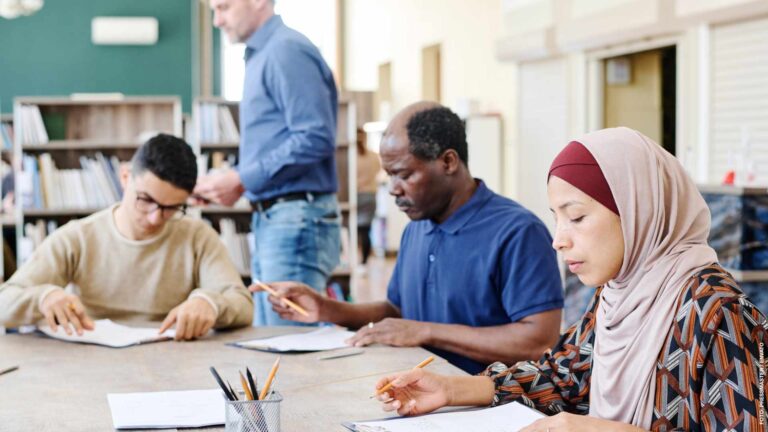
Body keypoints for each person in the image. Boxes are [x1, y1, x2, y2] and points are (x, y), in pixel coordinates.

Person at [373, 127, 768, 430]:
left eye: (576, 217)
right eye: (556, 218)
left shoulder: (718, 313)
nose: (559, 240)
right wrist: (450, 389)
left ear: (637, 209)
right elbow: (566, 375)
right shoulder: (617, 293)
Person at [254, 102, 564, 374]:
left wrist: (426, 332)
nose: (393, 188)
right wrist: (326, 309)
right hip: (417, 394)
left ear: (448, 162)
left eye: (404, 174)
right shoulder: (417, 227)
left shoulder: (518, 232)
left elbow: (537, 341)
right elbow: (398, 312)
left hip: (488, 406)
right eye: (389, 175)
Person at [0, 134, 253, 340]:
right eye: (145, 200)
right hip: (90, 361)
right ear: (124, 177)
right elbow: (5, 302)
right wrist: (43, 297)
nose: (155, 218)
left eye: (171, 208)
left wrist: (210, 303)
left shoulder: (198, 237)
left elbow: (242, 303)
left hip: (171, 360)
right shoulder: (78, 237)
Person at [197, 0, 341, 326]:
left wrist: (242, 178)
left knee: (288, 345)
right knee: (273, 338)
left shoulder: (285, 51)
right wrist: (234, 179)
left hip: (295, 218)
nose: (217, 21)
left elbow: (315, 136)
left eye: (224, 7)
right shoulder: (264, 54)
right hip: (279, 217)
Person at [355, 127, 381, 269]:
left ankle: (351, 260)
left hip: (355, 196)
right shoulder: (373, 156)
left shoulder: (352, 156)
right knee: (365, 230)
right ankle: (363, 263)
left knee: (353, 231)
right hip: (370, 195)